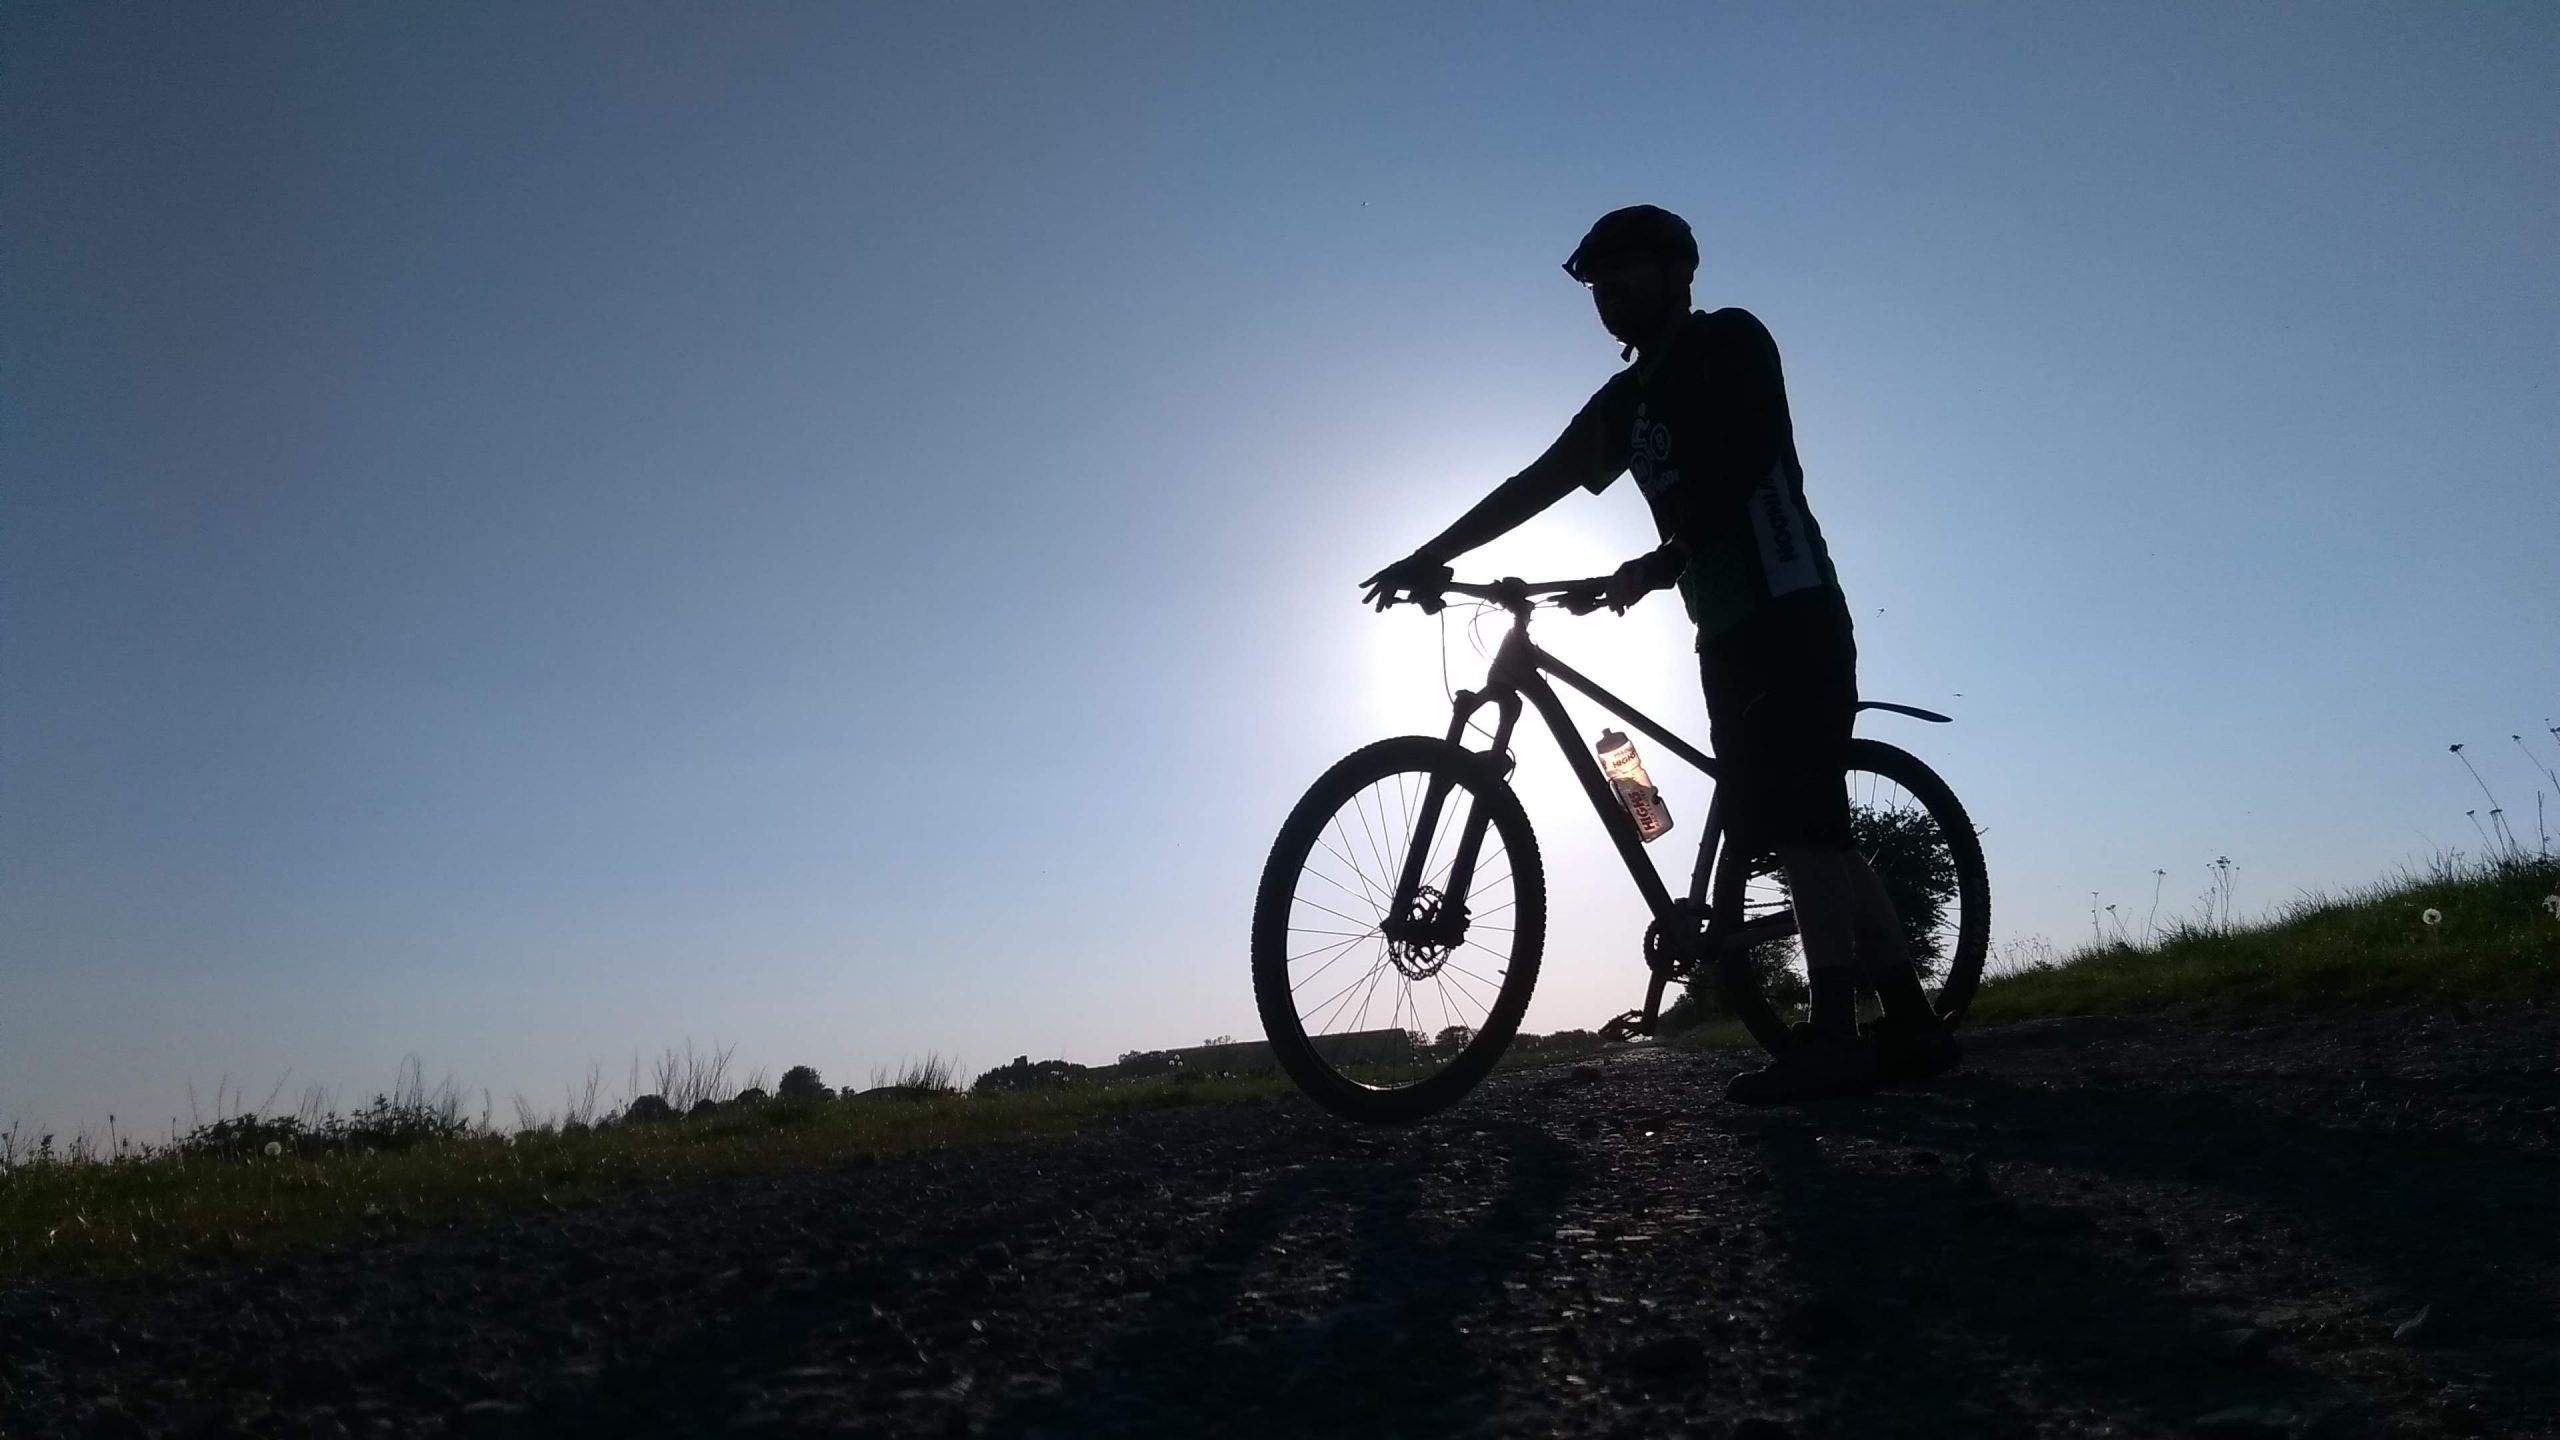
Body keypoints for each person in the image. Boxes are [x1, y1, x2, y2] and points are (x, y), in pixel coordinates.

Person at [1358, 204, 1958, 1104]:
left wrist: (1658, 562)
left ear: (1678, 273)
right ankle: (1910, 1024)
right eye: (1598, 283)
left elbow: (1750, 458)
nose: (1608, 293)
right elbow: (1536, 482)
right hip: (1721, 631)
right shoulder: (1625, 405)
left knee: (1805, 827)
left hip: (1790, 606)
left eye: (1624, 272)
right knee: (1811, 828)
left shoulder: (1729, 344)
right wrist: (1435, 555)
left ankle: (1834, 1037)